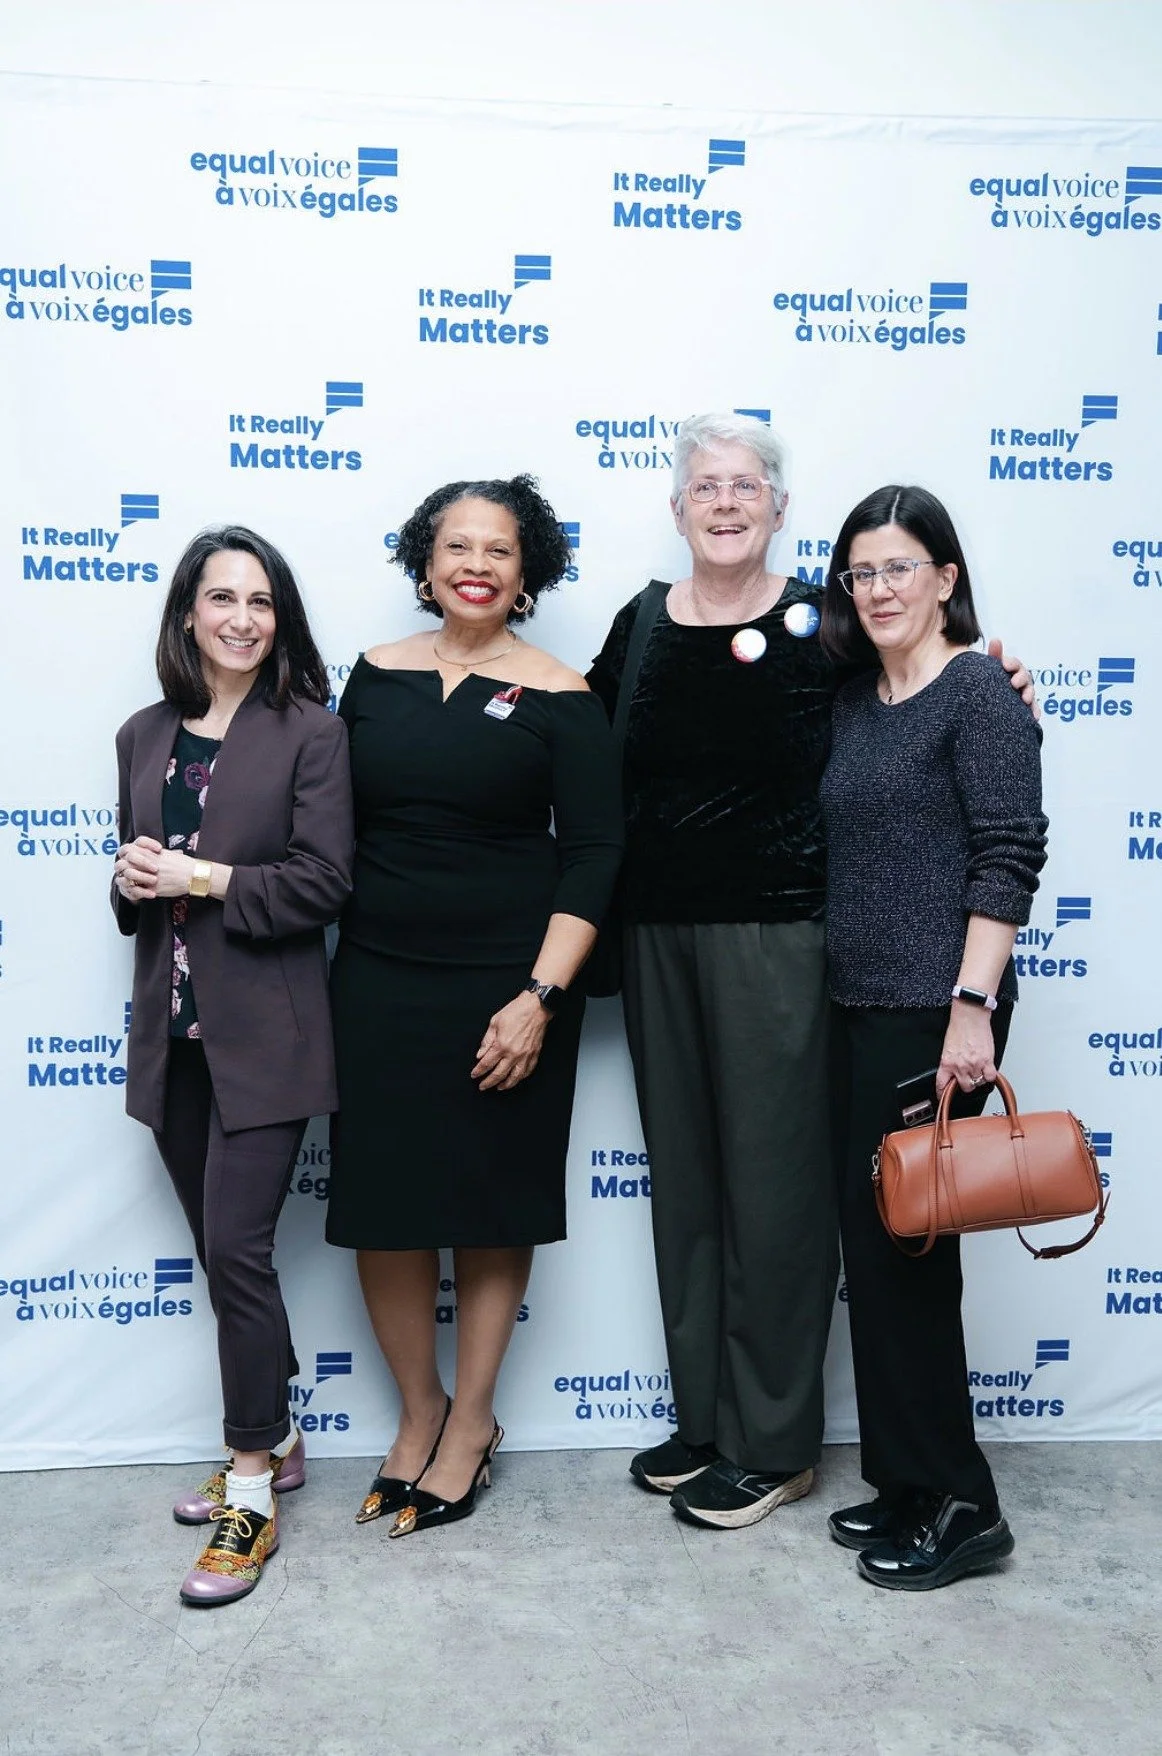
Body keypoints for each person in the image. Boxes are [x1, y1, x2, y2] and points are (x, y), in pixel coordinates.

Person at [586, 412, 1037, 1533]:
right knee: (687, 1190)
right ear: (678, 505)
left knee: (781, 1196)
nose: (725, 502)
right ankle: (709, 1422)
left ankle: (773, 1440)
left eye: (746, 486)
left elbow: (923, 684)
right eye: (705, 487)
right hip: (656, 939)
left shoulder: (821, 626)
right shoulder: (640, 624)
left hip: (786, 940)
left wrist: (1004, 685)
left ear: (779, 509)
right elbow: (577, 752)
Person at [326, 475, 622, 1537]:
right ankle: (418, 1415)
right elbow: (314, 809)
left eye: (501, 550)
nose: (478, 565)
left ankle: (474, 1422)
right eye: (458, 545)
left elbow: (595, 856)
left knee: (492, 1208)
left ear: (527, 570)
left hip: (510, 982)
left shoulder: (564, 693)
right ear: (425, 560)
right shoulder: (369, 677)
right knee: (387, 1207)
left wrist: (540, 997)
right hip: (375, 976)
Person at [112, 526, 354, 1606]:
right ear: (188, 615)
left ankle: (250, 1486)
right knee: (222, 1259)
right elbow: (139, 895)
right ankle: (285, 1432)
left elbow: (318, 886)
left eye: (261, 600)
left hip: (269, 1034)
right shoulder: (143, 732)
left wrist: (204, 878)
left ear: (281, 616)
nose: (243, 618)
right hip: (176, 1037)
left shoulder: (311, 733)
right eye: (222, 599)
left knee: (238, 1253)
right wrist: (129, 879)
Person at [819, 484, 1047, 1590]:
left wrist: (971, 1007)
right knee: (880, 1250)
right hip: (857, 1004)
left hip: (934, 1007)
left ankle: (964, 1503)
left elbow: (1007, 853)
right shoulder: (858, 700)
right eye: (861, 571)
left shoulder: (979, 697)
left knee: (914, 1259)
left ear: (945, 578)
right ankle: (906, 1481)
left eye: (899, 567)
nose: (878, 589)